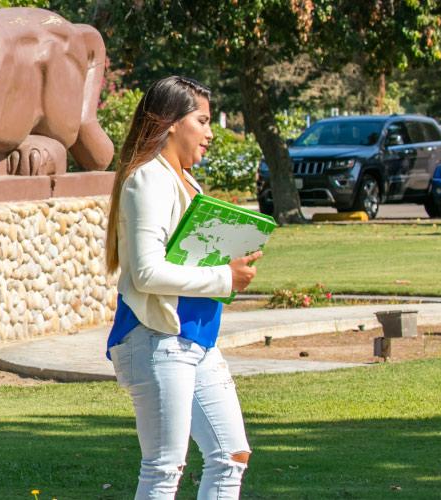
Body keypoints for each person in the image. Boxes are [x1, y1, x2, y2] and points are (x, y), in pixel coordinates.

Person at [103, 76, 263, 500]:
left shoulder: (185, 181)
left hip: (197, 341)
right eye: (203, 120)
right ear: (172, 122)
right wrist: (226, 277)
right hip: (158, 341)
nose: (211, 133)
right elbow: (147, 274)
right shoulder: (148, 180)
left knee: (231, 456)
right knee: (163, 469)